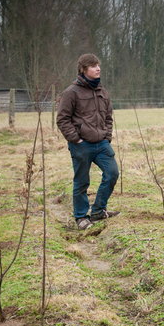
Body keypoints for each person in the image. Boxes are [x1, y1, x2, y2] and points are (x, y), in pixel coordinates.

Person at [57, 54, 120, 230]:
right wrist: (76, 139)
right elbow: (63, 119)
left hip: (102, 144)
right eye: (93, 66)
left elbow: (108, 117)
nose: (98, 68)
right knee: (82, 181)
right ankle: (81, 217)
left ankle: (99, 211)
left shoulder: (102, 91)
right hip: (81, 145)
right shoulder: (71, 92)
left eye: (98, 65)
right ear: (83, 70)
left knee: (112, 173)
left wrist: (107, 136)